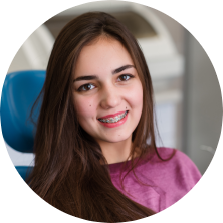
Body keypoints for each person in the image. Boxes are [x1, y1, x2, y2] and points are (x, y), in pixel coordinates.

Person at [26, 12, 202, 222]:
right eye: (87, 86)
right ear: (65, 101)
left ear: (143, 81)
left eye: (124, 77)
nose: (110, 100)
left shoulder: (179, 167)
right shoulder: (51, 195)